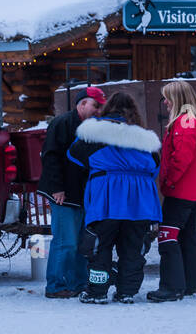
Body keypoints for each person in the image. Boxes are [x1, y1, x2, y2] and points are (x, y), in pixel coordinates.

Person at [68, 92, 161, 304]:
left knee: (100, 246)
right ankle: (127, 292)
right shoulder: (145, 138)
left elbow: (74, 155)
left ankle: (97, 292)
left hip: (106, 198)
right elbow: (155, 166)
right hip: (140, 201)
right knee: (133, 247)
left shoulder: (94, 134)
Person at [37, 86, 105, 298]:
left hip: (82, 193)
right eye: (96, 106)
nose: (98, 111)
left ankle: (77, 283)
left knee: (81, 242)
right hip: (63, 194)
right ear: (83, 103)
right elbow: (50, 157)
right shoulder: (62, 123)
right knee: (65, 241)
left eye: (101, 107)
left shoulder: (95, 127)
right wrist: (57, 188)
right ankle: (55, 286)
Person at [148, 80, 196, 302]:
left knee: (167, 236)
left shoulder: (185, 121)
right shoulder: (194, 119)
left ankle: (171, 287)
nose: (165, 102)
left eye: (167, 97)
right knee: (188, 237)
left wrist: (169, 182)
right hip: (191, 189)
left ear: (177, 99)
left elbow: (180, 158)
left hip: (181, 189)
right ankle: (190, 284)